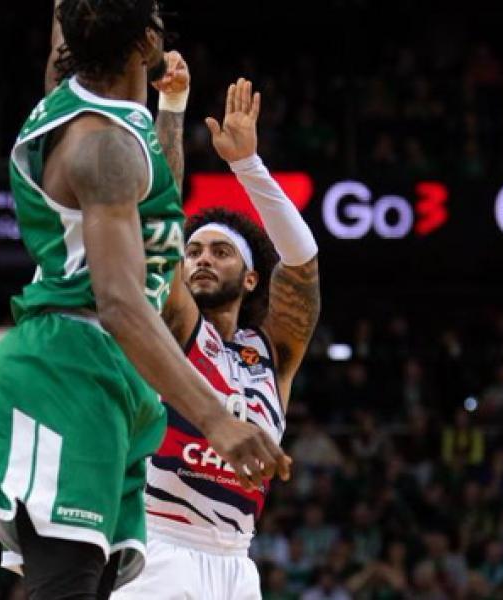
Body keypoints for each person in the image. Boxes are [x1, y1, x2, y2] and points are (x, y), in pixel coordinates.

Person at [0, 2, 290, 597]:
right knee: (64, 587)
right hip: (69, 363)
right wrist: (218, 421)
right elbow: (122, 305)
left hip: (112, 379)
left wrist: (171, 109)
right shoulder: (104, 149)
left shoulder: (100, 110)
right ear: (148, 42)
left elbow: (159, 218)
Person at [114, 79, 321, 599]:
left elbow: (302, 262)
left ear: (251, 279)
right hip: (159, 544)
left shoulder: (270, 354)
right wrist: (173, 107)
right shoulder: (177, 324)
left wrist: (248, 165)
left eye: (220, 252)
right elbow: (158, 221)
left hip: (236, 560)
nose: (202, 258)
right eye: (195, 251)